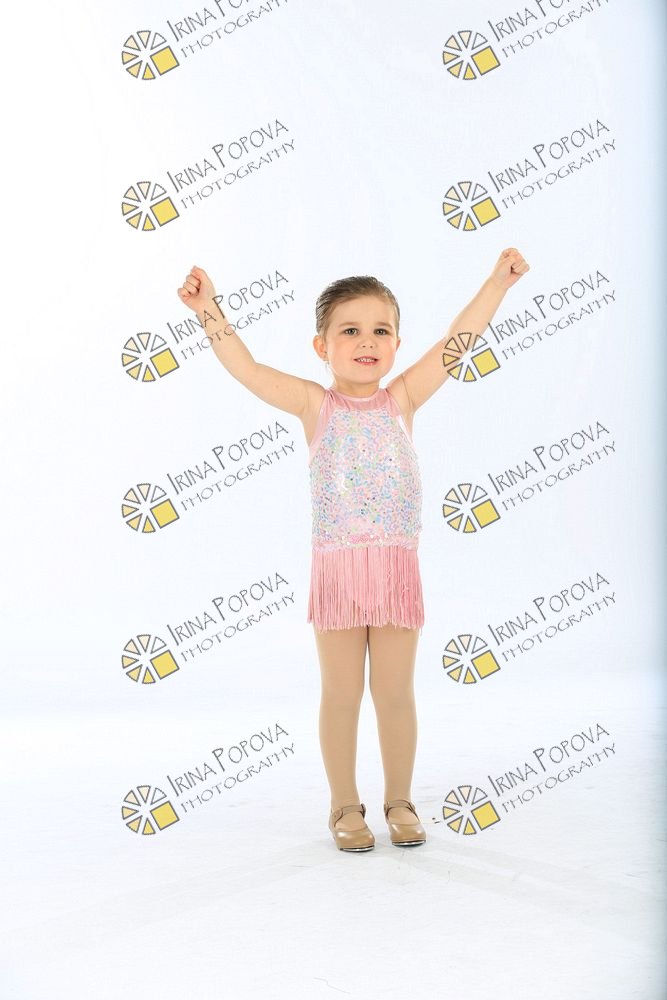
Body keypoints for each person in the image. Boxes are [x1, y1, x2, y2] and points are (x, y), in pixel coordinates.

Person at [177, 248, 530, 852]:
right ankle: (344, 804)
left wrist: (498, 282)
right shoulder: (316, 406)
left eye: (381, 330)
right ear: (322, 346)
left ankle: (400, 800)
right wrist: (209, 309)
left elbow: (458, 342)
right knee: (341, 695)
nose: (367, 341)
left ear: (397, 343)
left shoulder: (403, 399)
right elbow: (248, 368)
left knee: (394, 694)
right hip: (338, 576)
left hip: (395, 573)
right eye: (350, 330)